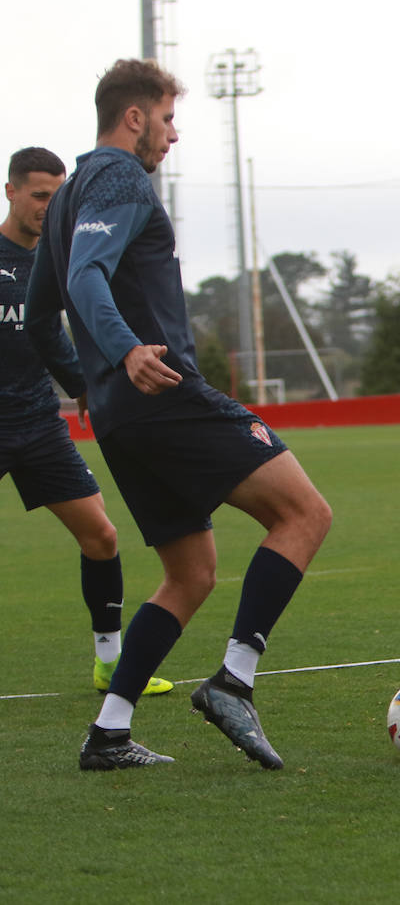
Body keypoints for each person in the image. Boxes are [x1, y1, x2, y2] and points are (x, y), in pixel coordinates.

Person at [26, 59, 332, 769]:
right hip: (164, 397)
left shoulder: (68, 197)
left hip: (120, 418)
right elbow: (83, 276)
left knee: (190, 572)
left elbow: (41, 316)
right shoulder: (119, 178)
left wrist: (90, 384)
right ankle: (234, 681)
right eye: (166, 119)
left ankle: (108, 731)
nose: (173, 134)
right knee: (305, 515)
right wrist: (128, 352)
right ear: (133, 117)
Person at [2, 147, 173, 697]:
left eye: (57, 198)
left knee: (100, 535)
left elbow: (49, 334)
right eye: (38, 196)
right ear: (10, 191)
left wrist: (80, 387)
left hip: (36, 424)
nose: (48, 209)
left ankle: (110, 664)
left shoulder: (56, 255)